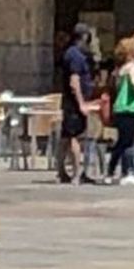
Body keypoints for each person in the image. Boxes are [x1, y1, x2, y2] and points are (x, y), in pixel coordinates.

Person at [57, 23, 99, 185]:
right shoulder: (75, 55)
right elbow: (74, 81)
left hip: (72, 102)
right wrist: (81, 103)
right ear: (84, 37)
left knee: (66, 137)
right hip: (73, 103)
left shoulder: (75, 54)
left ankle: (62, 171)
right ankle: (76, 172)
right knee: (74, 137)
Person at [106, 38, 134, 187]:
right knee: (130, 141)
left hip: (121, 107)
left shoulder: (120, 69)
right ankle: (128, 172)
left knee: (123, 141)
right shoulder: (132, 67)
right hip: (132, 107)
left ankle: (113, 170)